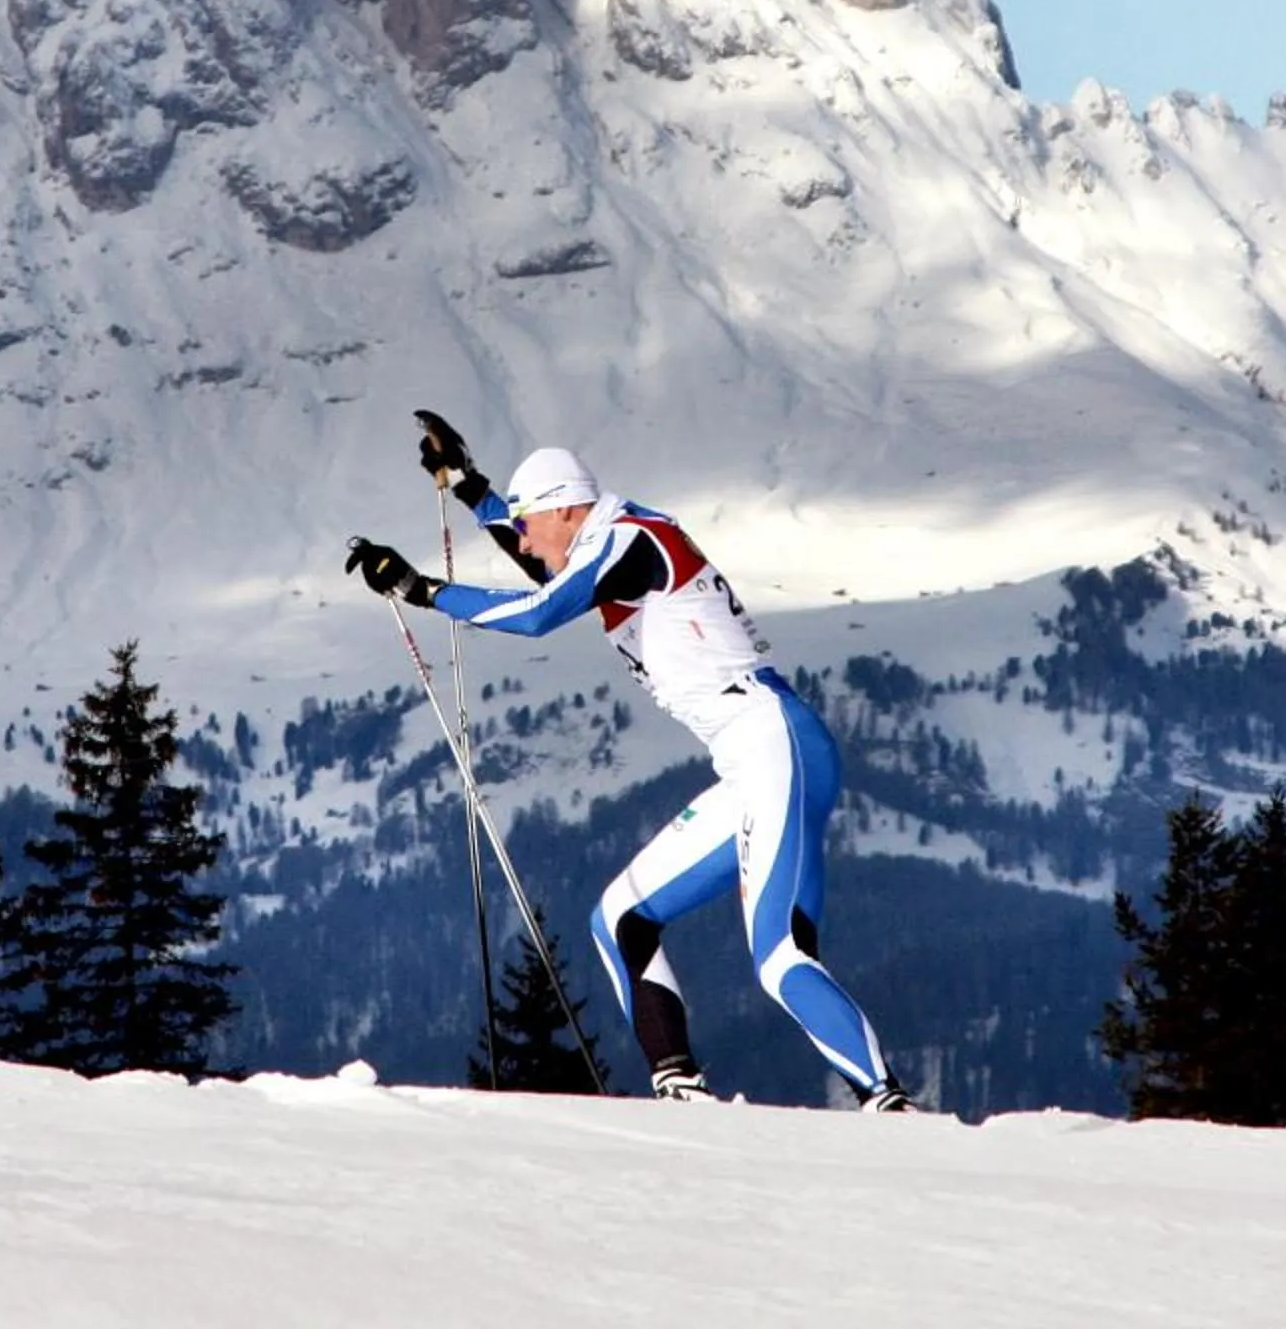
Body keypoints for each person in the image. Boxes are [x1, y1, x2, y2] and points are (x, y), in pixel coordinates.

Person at [346, 412, 912, 1111]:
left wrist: (422, 590)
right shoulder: (610, 541)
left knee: (780, 958)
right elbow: (545, 569)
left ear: (565, 509)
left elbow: (539, 610)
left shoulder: (627, 537)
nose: (522, 539)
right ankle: (681, 1091)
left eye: (528, 523)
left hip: (776, 745)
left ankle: (888, 1102)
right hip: (753, 760)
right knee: (621, 919)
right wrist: (470, 488)